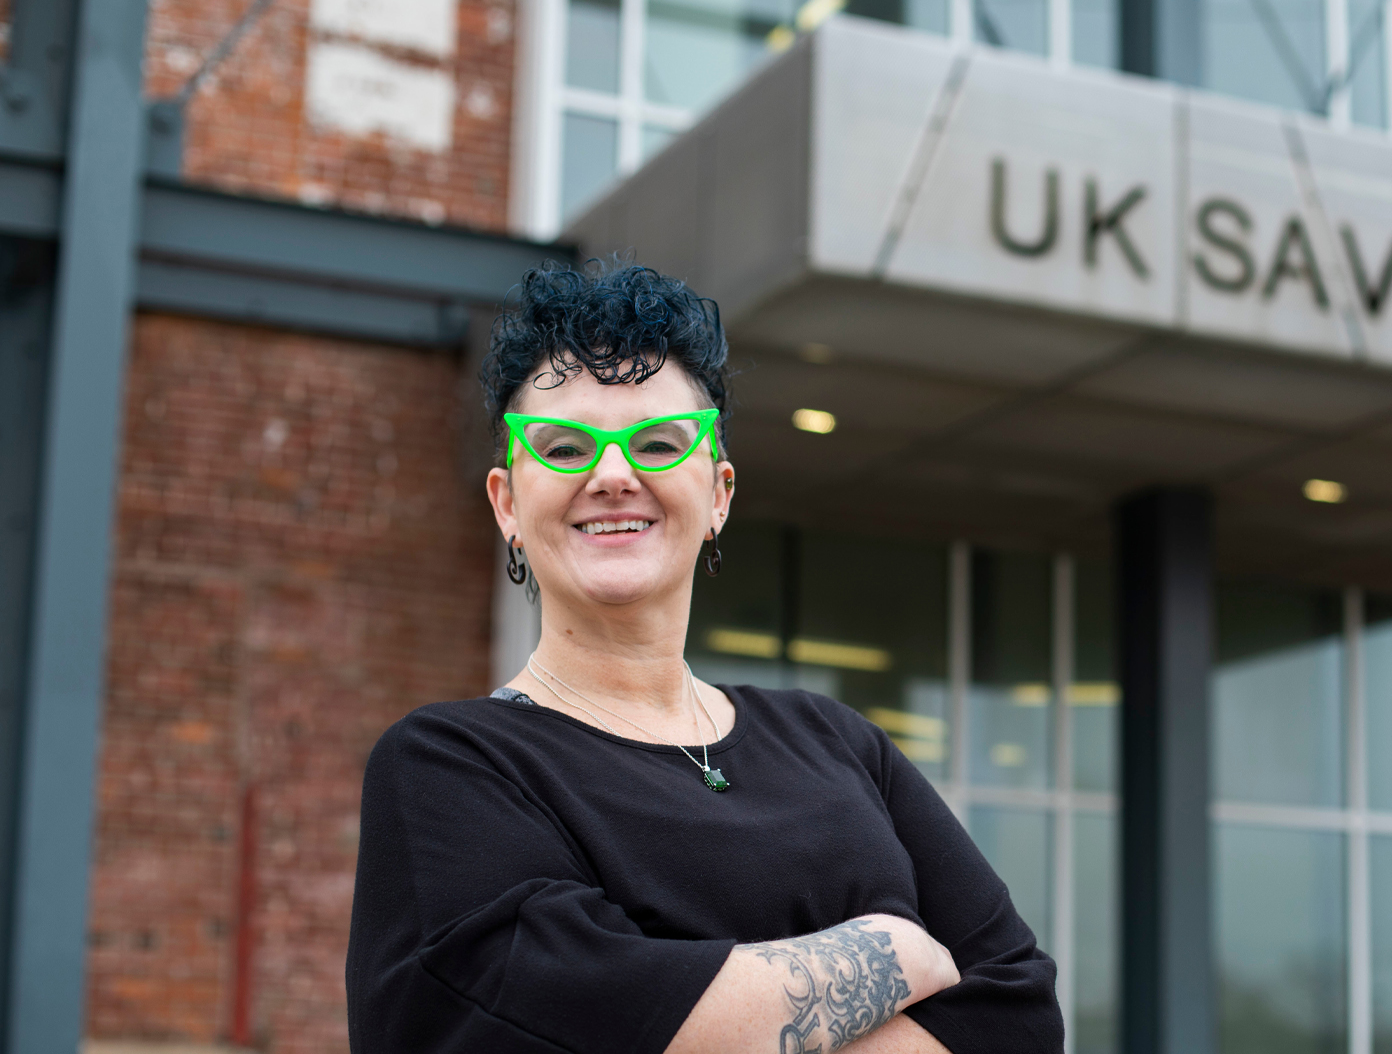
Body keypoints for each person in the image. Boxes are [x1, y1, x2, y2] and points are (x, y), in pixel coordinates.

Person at [344, 263, 1063, 1054]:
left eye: (656, 443)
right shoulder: (450, 768)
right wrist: (896, 950)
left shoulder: (838, 743)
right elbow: (552, 1017)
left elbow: (1022, 1015)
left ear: (718, 493)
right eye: (562, 447)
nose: (613, 475)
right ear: (508, 502)